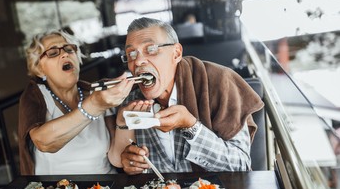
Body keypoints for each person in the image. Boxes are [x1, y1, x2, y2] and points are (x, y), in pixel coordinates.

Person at [110, 17, 264, 174]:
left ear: (176, 53)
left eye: (151, 50)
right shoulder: (130, 101)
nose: (138, 61)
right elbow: (125, 161)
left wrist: (191, 126)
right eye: (131, 54)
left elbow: (241, 166)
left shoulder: (220, 84)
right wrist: (131, 162)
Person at [18, 29, 135, 175]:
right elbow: (43, 142)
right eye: (53, 53)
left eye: (69, 49)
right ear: (40, 70)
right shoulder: (36, 95)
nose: (65, 54)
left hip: (106, 188)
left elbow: (116, 158)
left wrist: (123, 121)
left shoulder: (98, 93)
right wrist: (94, 106)